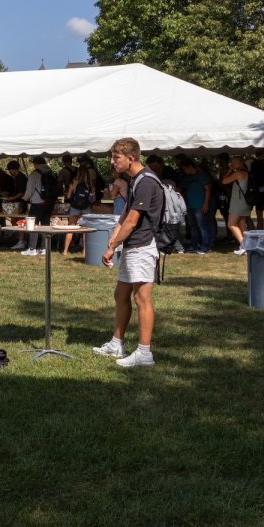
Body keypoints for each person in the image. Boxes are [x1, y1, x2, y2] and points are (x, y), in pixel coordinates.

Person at [91, 138, 164, 368]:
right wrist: (115, 231)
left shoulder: (146, 182)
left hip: (142, 245)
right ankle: (117, 342)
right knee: (120, 295)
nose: (112, 161)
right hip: (132, 245)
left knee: (142, 298)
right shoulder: (134, 180)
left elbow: (133, 220)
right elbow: (126, 216)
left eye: (116, 157)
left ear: (131, 158)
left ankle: (144, 353)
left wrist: (112, 247)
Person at [62, 157, 98, 256]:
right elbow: (92, 198)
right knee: (85, 229)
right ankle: (84, 251)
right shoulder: (90, 184)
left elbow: (69, 196)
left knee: (71, 228)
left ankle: (65, 250)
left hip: (74, 206)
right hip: (86, 207)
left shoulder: (74, 181)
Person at [21, 156, 56, 256]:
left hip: (37, 203)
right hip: (49, 203)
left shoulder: (34, 174)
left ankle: (32, 248)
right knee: (45, 225)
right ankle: (44, 248)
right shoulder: (51, 173)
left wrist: (25, 198)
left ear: (35, 164)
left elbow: (30, 189)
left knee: (33, 225)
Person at [178, 157, 213, 254]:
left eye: (184, 168)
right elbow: (179, 189)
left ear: (189, 167)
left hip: (199, 205)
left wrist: (205, 203)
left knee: (202, 226)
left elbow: (208, 189)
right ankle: (194, 245)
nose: (184, 171)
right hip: (190, 205)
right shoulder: (186, 178)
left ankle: (206, 246)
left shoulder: (202, 176)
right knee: (193, 226)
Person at [221, 155, 251, 255]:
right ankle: (248, 245)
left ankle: (244, 246)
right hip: (244, 202)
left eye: (234, 162)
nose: (232, 164)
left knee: (231, 224)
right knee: (242, 224)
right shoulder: (245, 172)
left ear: (240, 162)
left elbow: (224, 181)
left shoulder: (238, 173)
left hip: (238, 202)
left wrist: (230, 170)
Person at [248, 150, 264, 229]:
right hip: (261, 190)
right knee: (260, 215)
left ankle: (251, 230)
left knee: (247, 213)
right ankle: (259, 232)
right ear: (263, 153)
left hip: (252, 190)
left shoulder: (250, 162)